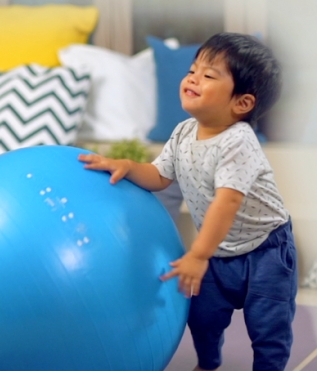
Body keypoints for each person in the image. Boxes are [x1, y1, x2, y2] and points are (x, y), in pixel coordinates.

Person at [79, 32, 297, 371]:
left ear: (242, 103)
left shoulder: (239, 141)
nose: (193, 78)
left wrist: (197, 254)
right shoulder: (183, 132)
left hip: (264, 249)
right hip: (218, 250)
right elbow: (160, 176)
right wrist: (127, 166)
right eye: (193, 70)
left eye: (209, 75)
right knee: (203, 316)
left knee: (268, 326)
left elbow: (226, 203)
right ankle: (209, 363)